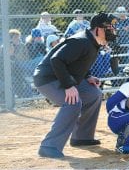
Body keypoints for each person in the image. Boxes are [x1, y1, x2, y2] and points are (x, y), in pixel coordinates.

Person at [33, 12, 118, 158]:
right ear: (98, 29)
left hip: (63, 76)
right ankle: (48, 146)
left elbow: (77, 63)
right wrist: (68, 86)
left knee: (93, 94)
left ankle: (81, 137)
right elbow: (57, 60)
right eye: (108, 27)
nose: (112, 30)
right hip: (48, 78)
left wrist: (87, 76)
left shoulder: (93, 41)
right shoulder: (81, 41)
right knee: (72, 102)